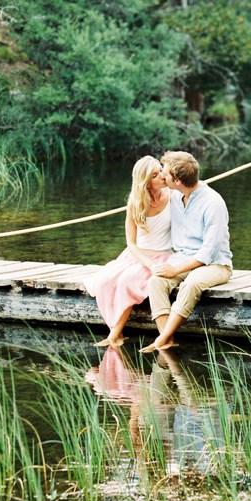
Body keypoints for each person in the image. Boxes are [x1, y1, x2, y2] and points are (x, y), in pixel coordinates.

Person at [142, 150, 232, 353]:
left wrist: (175, 271)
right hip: (182, 258)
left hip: (215, 264)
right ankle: (168, 339)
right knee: (156, 281)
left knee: (191, 284)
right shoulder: (174, 195)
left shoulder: (213, 202)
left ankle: (161, 340)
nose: (162, 176)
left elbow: (209, 252)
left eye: (165, 173)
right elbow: (146, 196)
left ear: (177, 181)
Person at [84, 156, 171, 348]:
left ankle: (114, 335)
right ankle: (117, 332)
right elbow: (131, 242)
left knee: (127, 281)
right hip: (138, 254)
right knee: (105, 281)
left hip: (164, 253)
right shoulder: (135, 202)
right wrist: (147, 263)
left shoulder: (173, 194)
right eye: (155, 175)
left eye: (161, 170)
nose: (162, 176)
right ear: (146, 182)